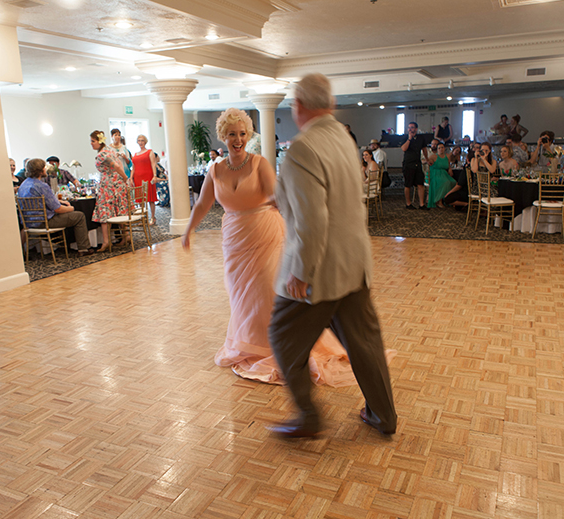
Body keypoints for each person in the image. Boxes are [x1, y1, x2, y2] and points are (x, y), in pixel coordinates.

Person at [181, 107, 358, 388]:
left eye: (242, 134)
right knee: (243, 296)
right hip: (234, 240)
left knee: (266, 293)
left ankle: (283, 347)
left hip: (265, 234)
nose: (237, 139)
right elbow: (203, 204)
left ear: (248, 135)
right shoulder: (215, 169)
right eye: (231, 135)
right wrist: (188, 229)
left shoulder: (259, 163)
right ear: (222, 137)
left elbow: (277, 195)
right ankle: (252, 346)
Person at [267, 73, 397, 438]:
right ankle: (383, 416)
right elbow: (334, 197)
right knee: (365, 344)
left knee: (282, 336)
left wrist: (301, 273)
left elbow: (313, 219)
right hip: (354, 262)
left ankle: (308, 418)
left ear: (298, 106)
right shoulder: (343, 137)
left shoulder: (301, 149)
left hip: (319, 271)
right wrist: (282, 197)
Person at [17, 159, 95, 257]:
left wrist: (60, 201)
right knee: (79, 216)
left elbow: (40, 201)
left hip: (28, 223)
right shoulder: (42, 186)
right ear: (41, 171)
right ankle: (83, 249)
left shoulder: (23, 185)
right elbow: (58, 209)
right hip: (44, 222)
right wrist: (71, 208)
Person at [90, 130, 129, 252]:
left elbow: (117, 166)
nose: (91, 144)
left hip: (108, 185)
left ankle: (106, 242)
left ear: (99, 141)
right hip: (117, 184)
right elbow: (119, 164)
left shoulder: (103, 154)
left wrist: (125, 177)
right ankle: (126, 235)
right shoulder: (110, 150)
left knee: (105, 211)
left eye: (93, 141)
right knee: (119, 208)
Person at [131, 134, 158, 225]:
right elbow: (133, 168)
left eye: (142, 140)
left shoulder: (150, 152)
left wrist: (154, 175)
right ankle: (143, 217)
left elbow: (153, 164)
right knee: (140, 198)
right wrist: (131, 178)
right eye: (139, 140)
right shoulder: (135, 154)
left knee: (150, 198)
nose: (141, 142)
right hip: (137, 177)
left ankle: (153, 217)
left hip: (148, 176)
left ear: (145, 142)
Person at [402, 121, 429, 209]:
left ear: (416, 129)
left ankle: (421, 204)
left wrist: (427, 159)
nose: (410, 129)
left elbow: (424, 149)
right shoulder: (405, 137)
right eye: (409, 127)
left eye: (412, 127)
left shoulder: (421, 138)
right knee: (408, 184)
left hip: (417, 163)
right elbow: (404, 148)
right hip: (408, 164)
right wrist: (409, 139)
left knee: (420, 183)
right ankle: (408, 203)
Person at [427, 143, 456, 208]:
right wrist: (429, 162)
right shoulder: (434, 156)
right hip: (436, 173)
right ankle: (438, 200)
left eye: (442, 147)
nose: (441, 149)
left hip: (444, 173)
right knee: (445, 182)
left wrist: (450, 169)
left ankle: (448, 200)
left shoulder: (447, 156)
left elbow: (448, 165)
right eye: (439, 148)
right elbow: (427, 161)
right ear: (437, 149)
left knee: (453, 182)